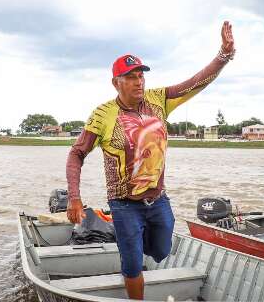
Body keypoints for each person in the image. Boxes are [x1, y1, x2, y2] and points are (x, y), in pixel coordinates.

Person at [66, 20, 235, 300]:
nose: (139, 81)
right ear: (116, 82)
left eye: (141, 75)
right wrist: (74, 197)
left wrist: (223, 56)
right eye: (131, 76)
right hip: (123, 205)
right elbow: (76, 153)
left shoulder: (159, 101)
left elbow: (196, 83)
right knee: (132, 265)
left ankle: (135, 239)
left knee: (161, 250)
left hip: (158, 200)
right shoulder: (103, 114)